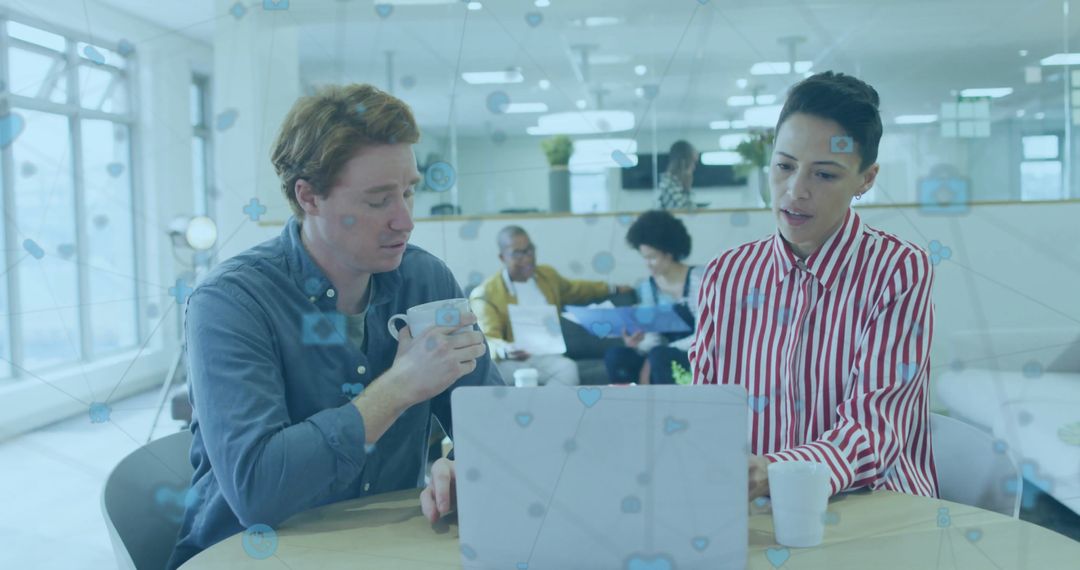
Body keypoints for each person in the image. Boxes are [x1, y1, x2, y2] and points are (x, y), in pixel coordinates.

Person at [167, 84, 502, 569]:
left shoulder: (426, 281)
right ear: (308, 196)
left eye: (409, 192)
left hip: (384, 550)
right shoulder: (230, 302)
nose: (405, 220)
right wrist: (399, 387)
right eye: (378, 200)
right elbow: (259, 493)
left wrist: (463, 466)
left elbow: (496, 430)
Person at [690, 71, 938, 502]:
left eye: (824, 175)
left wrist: (773, 472)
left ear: (865, 179)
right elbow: (706, 412)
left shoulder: (898, 270)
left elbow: (873, 433)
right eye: (784, 166)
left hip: (870, 502)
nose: (796, 191)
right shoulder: (726, 274)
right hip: (752, 505)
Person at [470, 226, 632, 386]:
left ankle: (551, 404)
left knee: (568, 368)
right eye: (518, 254)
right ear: (502, 257)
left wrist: (612, 288)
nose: (527, 258)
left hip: (547, 358)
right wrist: (505, 350)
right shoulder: (486, 294)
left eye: (529, 250)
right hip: (510, 361)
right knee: (493, 374)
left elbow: (576, 289)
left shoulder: (546, 276)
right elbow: (487, 338)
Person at [604, 210, 703, 385]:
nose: (647, 264)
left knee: (659, 355)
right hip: (661, 355)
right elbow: (653, 340)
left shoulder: (699, 279)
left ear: (669, 253)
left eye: (652, 257)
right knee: (616, 356)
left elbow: (707, 334)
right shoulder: (647, 287)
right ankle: (625, 402)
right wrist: (637, 343)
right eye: (644, 258)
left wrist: (664, 350)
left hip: (696, 353)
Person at [655, 140, 699, 210]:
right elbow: (688, 213)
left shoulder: (675, 185)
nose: (694, 167)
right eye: (692, 162)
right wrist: (687, 190)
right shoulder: (668, 186)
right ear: (683, 163)